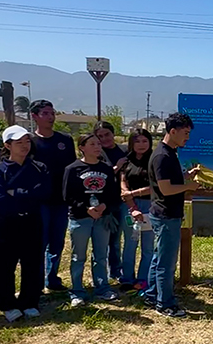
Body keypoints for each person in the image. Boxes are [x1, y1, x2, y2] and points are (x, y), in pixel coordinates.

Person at [0, 126, 50, 322]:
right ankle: (7, 303)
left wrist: (17, 192)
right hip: (7, 223)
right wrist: (27, 193)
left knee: (32, 262)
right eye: (19, 142)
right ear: (7, 145)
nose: (24, 146)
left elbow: (44, 193)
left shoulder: (39, 167)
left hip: (32, 220)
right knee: (5, 265)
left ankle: (29, 302)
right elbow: (0, 199)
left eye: (27, 141)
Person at [146, 113, 200, 317]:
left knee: (159, 257)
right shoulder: (162, 156)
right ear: (173, 131)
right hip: (166, 215)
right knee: (166, 263)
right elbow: (166, 189)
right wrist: (189, 186)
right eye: (185, 133)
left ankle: (152, 295)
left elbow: (170, 180)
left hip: (165, 213)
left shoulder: (169, 153)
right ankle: (165, 303)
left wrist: (187, 175)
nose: (187, 137)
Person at [63, 134, 121, 307]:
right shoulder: (73, 169)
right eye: (92, 144)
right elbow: (67, 195)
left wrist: (104, 206)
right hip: (81, 218)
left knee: (101, 255)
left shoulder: (106, 169)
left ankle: (102, 288)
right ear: (82, 147)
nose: (97, 147)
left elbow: (113, 194)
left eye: (98, 144)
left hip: (102, 218)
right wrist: (85, 209)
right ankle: (77, 291)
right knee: (78, 256)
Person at [31, 99, 77, 292]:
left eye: (52, 113)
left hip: (61, 200)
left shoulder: (64, 140)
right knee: (39, 243)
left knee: (57, 242)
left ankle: (52, 278)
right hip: (39, 201)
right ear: (34, 117)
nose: (50, 117)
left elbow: (73, 169)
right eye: (45, 114)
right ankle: (37, 282)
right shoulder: (29, 142)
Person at [119, 128, 155, 292]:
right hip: (129, 206)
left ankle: (143, 279)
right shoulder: (126, 161)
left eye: (144, 141)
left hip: (150, 206)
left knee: (148, 246)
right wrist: (130, 202)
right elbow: (123, 181)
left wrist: (133, 193)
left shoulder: (155, 160)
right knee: (130, 244)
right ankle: (127, 278)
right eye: (137, 141)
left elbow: (156, 187)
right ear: (131, 143)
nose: (141, 145)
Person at [94, 121, 128, 285]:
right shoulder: (97, 154)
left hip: (123, 200)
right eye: (100, 136)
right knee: (106, 239)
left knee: (117, 238)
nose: (104, 139)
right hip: (104, 202)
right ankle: (107, 271)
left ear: (113, 133)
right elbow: (99, 177)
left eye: (107, 134)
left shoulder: (125, 150)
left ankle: (117, 270)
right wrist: (116, 168)